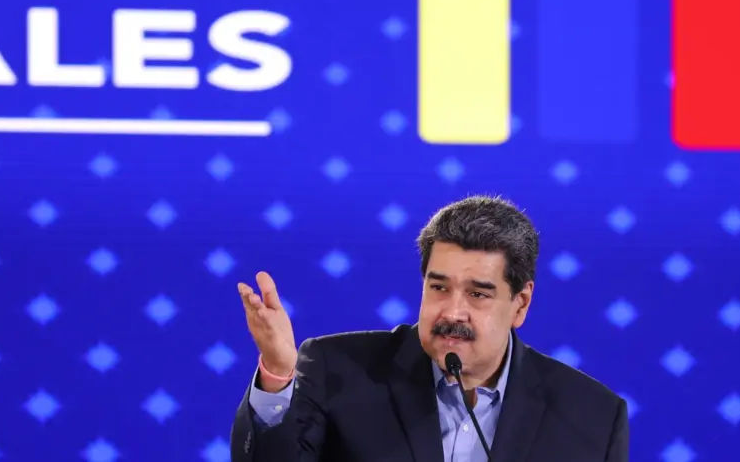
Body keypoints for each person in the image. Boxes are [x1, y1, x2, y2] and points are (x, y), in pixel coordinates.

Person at [231, 195, 629, 462]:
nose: (453, 311)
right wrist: (279, 375)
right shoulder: (336, 370)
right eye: (439, 287)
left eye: (477, 294)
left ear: (520, 304)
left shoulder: (592, 417)